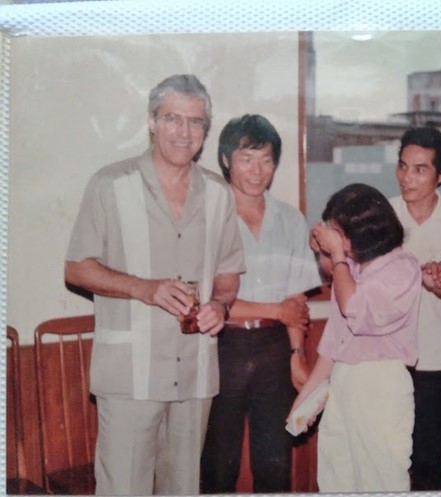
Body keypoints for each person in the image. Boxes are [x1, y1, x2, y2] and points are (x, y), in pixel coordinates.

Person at [64, 74, 245, 495]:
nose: (184, 133)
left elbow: (228, 272)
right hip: (130, 374)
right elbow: (77, 268)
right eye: (172, 119)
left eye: (196, 122)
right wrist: (144, 289)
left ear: (206, 129)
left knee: (182, 489)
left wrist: (220, 304)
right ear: (151, 121)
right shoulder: (111, 184)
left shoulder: (220, 194)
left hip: (196, 371)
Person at [200, 114, 321, 493]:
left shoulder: (290, 218)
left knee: (275, 461)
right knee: (219, 463)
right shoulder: (206, 218)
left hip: (274, 349)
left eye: (266, 159)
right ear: (225, 161)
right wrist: (274, 310)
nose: (257, 171)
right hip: (222, 346)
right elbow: (206, 302)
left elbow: (296, 298)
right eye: (246, 159)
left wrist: (297, 353)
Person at [289, 183, 421, 493]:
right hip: (343, 382)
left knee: (382, 478)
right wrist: (305, 399)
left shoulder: (402, 268)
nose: (336, 240)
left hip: (381, 385)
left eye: (340, 233)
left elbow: (355, 310)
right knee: (337, 477)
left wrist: (336, 257)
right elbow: (335, 343)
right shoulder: (350, 270)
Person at [389, 127, 441, 490]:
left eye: (420, 169)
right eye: (403, 166)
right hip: (386, 359)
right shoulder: (384, 216)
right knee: (386, 457)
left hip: (436, 361)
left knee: (429, 461)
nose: (407, 177)